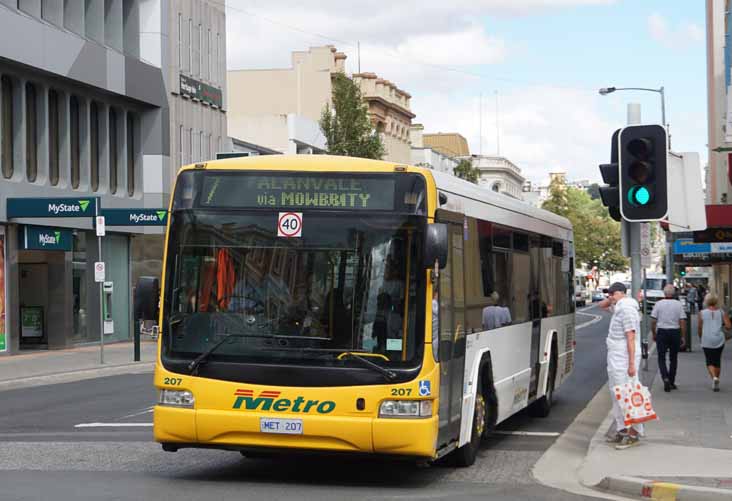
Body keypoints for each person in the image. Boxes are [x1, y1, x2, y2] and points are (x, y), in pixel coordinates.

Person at [600, 282, 644, 450]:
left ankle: (634, 433)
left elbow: (631, 337)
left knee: (628, 393)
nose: (609, 297)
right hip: (616, 355)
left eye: (612, 293)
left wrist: (632, 364)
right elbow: (601, 305)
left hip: (624, 356)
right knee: (617, 393)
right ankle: (622, 430)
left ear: (619, 293)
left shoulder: (626, 310)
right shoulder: (619, 306)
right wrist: (611, 299)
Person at [651, 284, 687, 392]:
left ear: (664, 293)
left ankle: (665, 378)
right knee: (673, 358)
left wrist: (654, 333)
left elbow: (653, 321)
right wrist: (683, 336)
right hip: (675, 332)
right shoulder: (678, 304)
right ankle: (671, 381)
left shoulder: (658, 304)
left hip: (662, 331)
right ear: (674, 293)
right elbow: (682, 321)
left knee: (661, 357)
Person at [698, 293, 731, 392]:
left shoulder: (702, 313)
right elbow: (729, 326)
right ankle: (716, 380)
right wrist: (722, 326)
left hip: (706, 338)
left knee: (709, 360)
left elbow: (700, 327)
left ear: (706, 301)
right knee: (717, 360)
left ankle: (714, 378)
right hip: (719, 339)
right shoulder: (721, 312)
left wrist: (701, 336)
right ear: (716, 301)